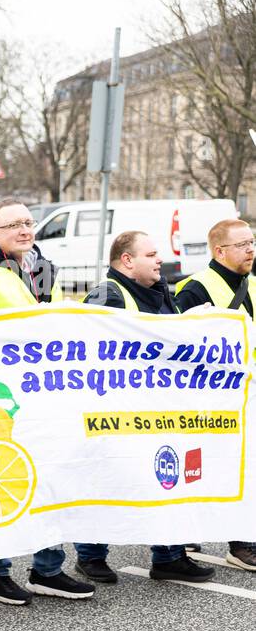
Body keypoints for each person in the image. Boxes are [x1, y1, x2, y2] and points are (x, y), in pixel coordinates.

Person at [0, 198, 94, 606]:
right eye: (15, 225)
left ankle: (48, 570)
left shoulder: (42, 269)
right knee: (2, 482)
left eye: (29, 222)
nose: (26, 230)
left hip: (44, 393)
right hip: (2, 400)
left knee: (50, 479)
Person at [72, 233, 216, 584]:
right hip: (116, 409)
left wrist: (190, 324)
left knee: (166, 478)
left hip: (160, 407)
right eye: (151, 254)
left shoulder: (162, 291)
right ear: (126, 261)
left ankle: (168, 555)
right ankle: (91, 556)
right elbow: (95, 348)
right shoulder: (107, 295)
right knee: (106, 479)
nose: (158, 260)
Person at [173, 218, 256, 570]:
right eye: (242, 245)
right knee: (208, 465)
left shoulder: (252, 284)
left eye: (252, 242)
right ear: (219, 251)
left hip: (247, 392)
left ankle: (241, 538)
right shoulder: (195, 289)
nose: (251, 249)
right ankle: (221, 538)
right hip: (212, 397)